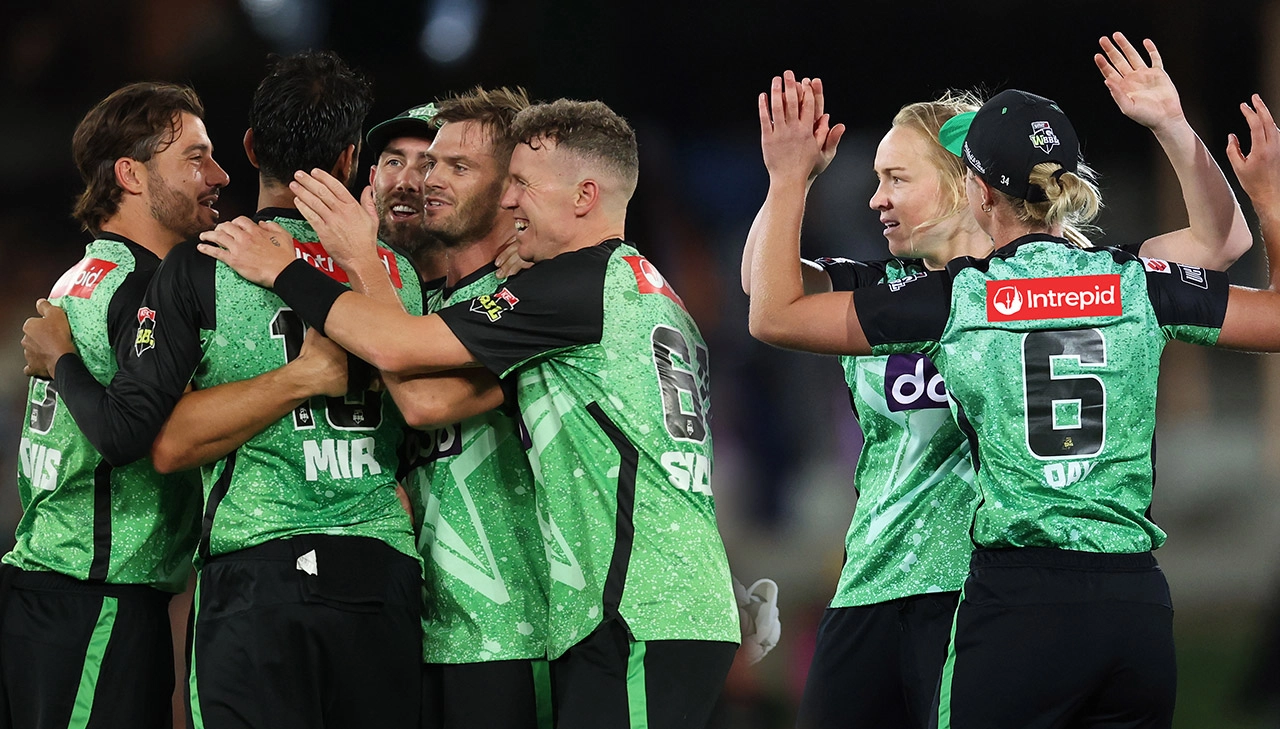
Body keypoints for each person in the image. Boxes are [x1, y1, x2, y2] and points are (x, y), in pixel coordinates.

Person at [738, 33, 1252, 729]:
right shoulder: (885, 287)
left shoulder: (1044, 279)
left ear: (964, 184)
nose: (875, 199)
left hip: (981, 584)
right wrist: (788, 180)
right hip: (878, 580)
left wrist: (1171, 124)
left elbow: (1220, 244)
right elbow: (761, 287)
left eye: (896, 177)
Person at [196, 98, 741, 729]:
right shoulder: (597, 285)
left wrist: (305, 268)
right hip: (554, 613)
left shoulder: (561, 289)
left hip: (594, 614)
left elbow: (417, 388)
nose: (425, 180)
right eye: (414, 163)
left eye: (467, 168)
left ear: (583, 194)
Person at [21, 51, 429, 729]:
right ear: (353, 158)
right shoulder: (398, 278)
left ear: (249, 147)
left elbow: (166, 443)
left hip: (255, 572)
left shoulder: (202, 266)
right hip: (380, 572)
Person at [0, 81, 221, 729]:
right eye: (195, 157)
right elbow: (127, 433)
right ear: (130, 173)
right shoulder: (145, 285)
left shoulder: (80, 274)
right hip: (97, 596)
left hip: (48, 585)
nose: (218, 174)